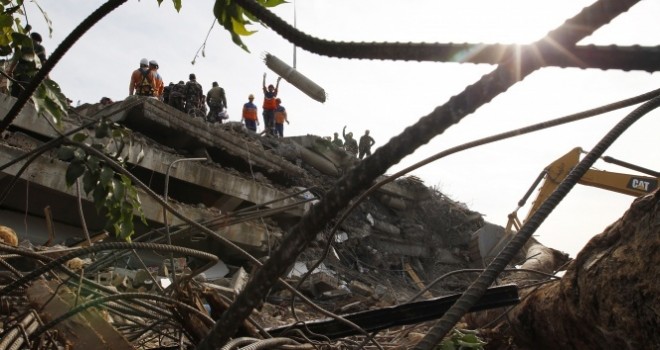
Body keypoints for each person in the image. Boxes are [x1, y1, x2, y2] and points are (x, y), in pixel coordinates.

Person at [6, 32, 46, 98]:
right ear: (39, 41)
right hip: (30, 72)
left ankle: (12, 103)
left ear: (31, 37)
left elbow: (16, 58)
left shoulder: (23, 44)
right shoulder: (41, 48)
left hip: (19, 69)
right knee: (25, 89)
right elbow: (43, 62)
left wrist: (10, 71)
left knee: (15, 89)